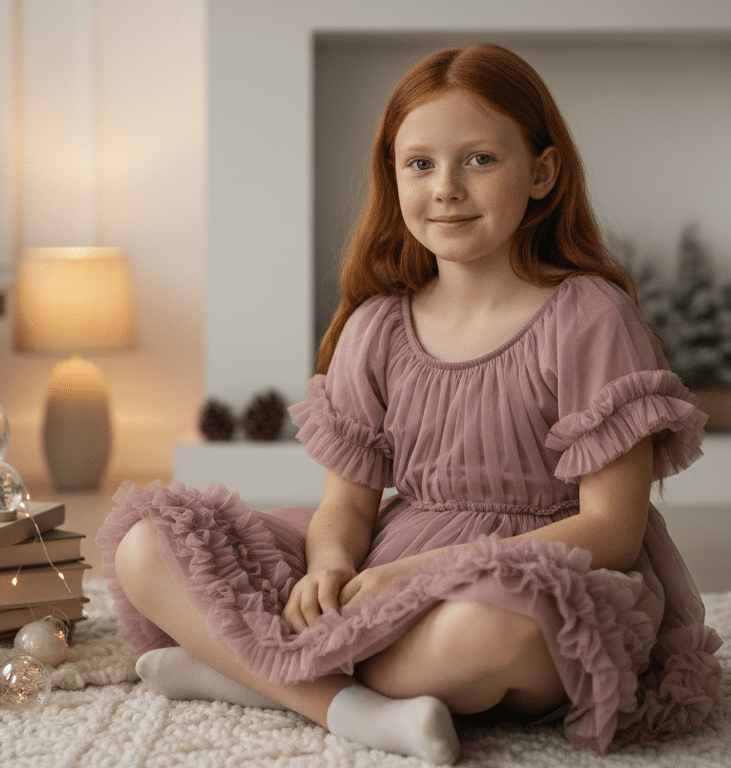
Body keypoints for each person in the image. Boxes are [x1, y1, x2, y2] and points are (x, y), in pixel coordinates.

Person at [97, 43, 721, 764]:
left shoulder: (589, 317)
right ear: (392, 177)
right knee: (150, 547)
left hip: (534, 576)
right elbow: (349, 508)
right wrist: (330, 566)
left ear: (542, 173)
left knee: (488, 634)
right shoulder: (378, 326)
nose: (447, 187)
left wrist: (422, 577)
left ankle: (250, 673)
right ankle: (350, 707)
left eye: (480, 159)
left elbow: (611, 529)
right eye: (419, 164)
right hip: (391, 557)